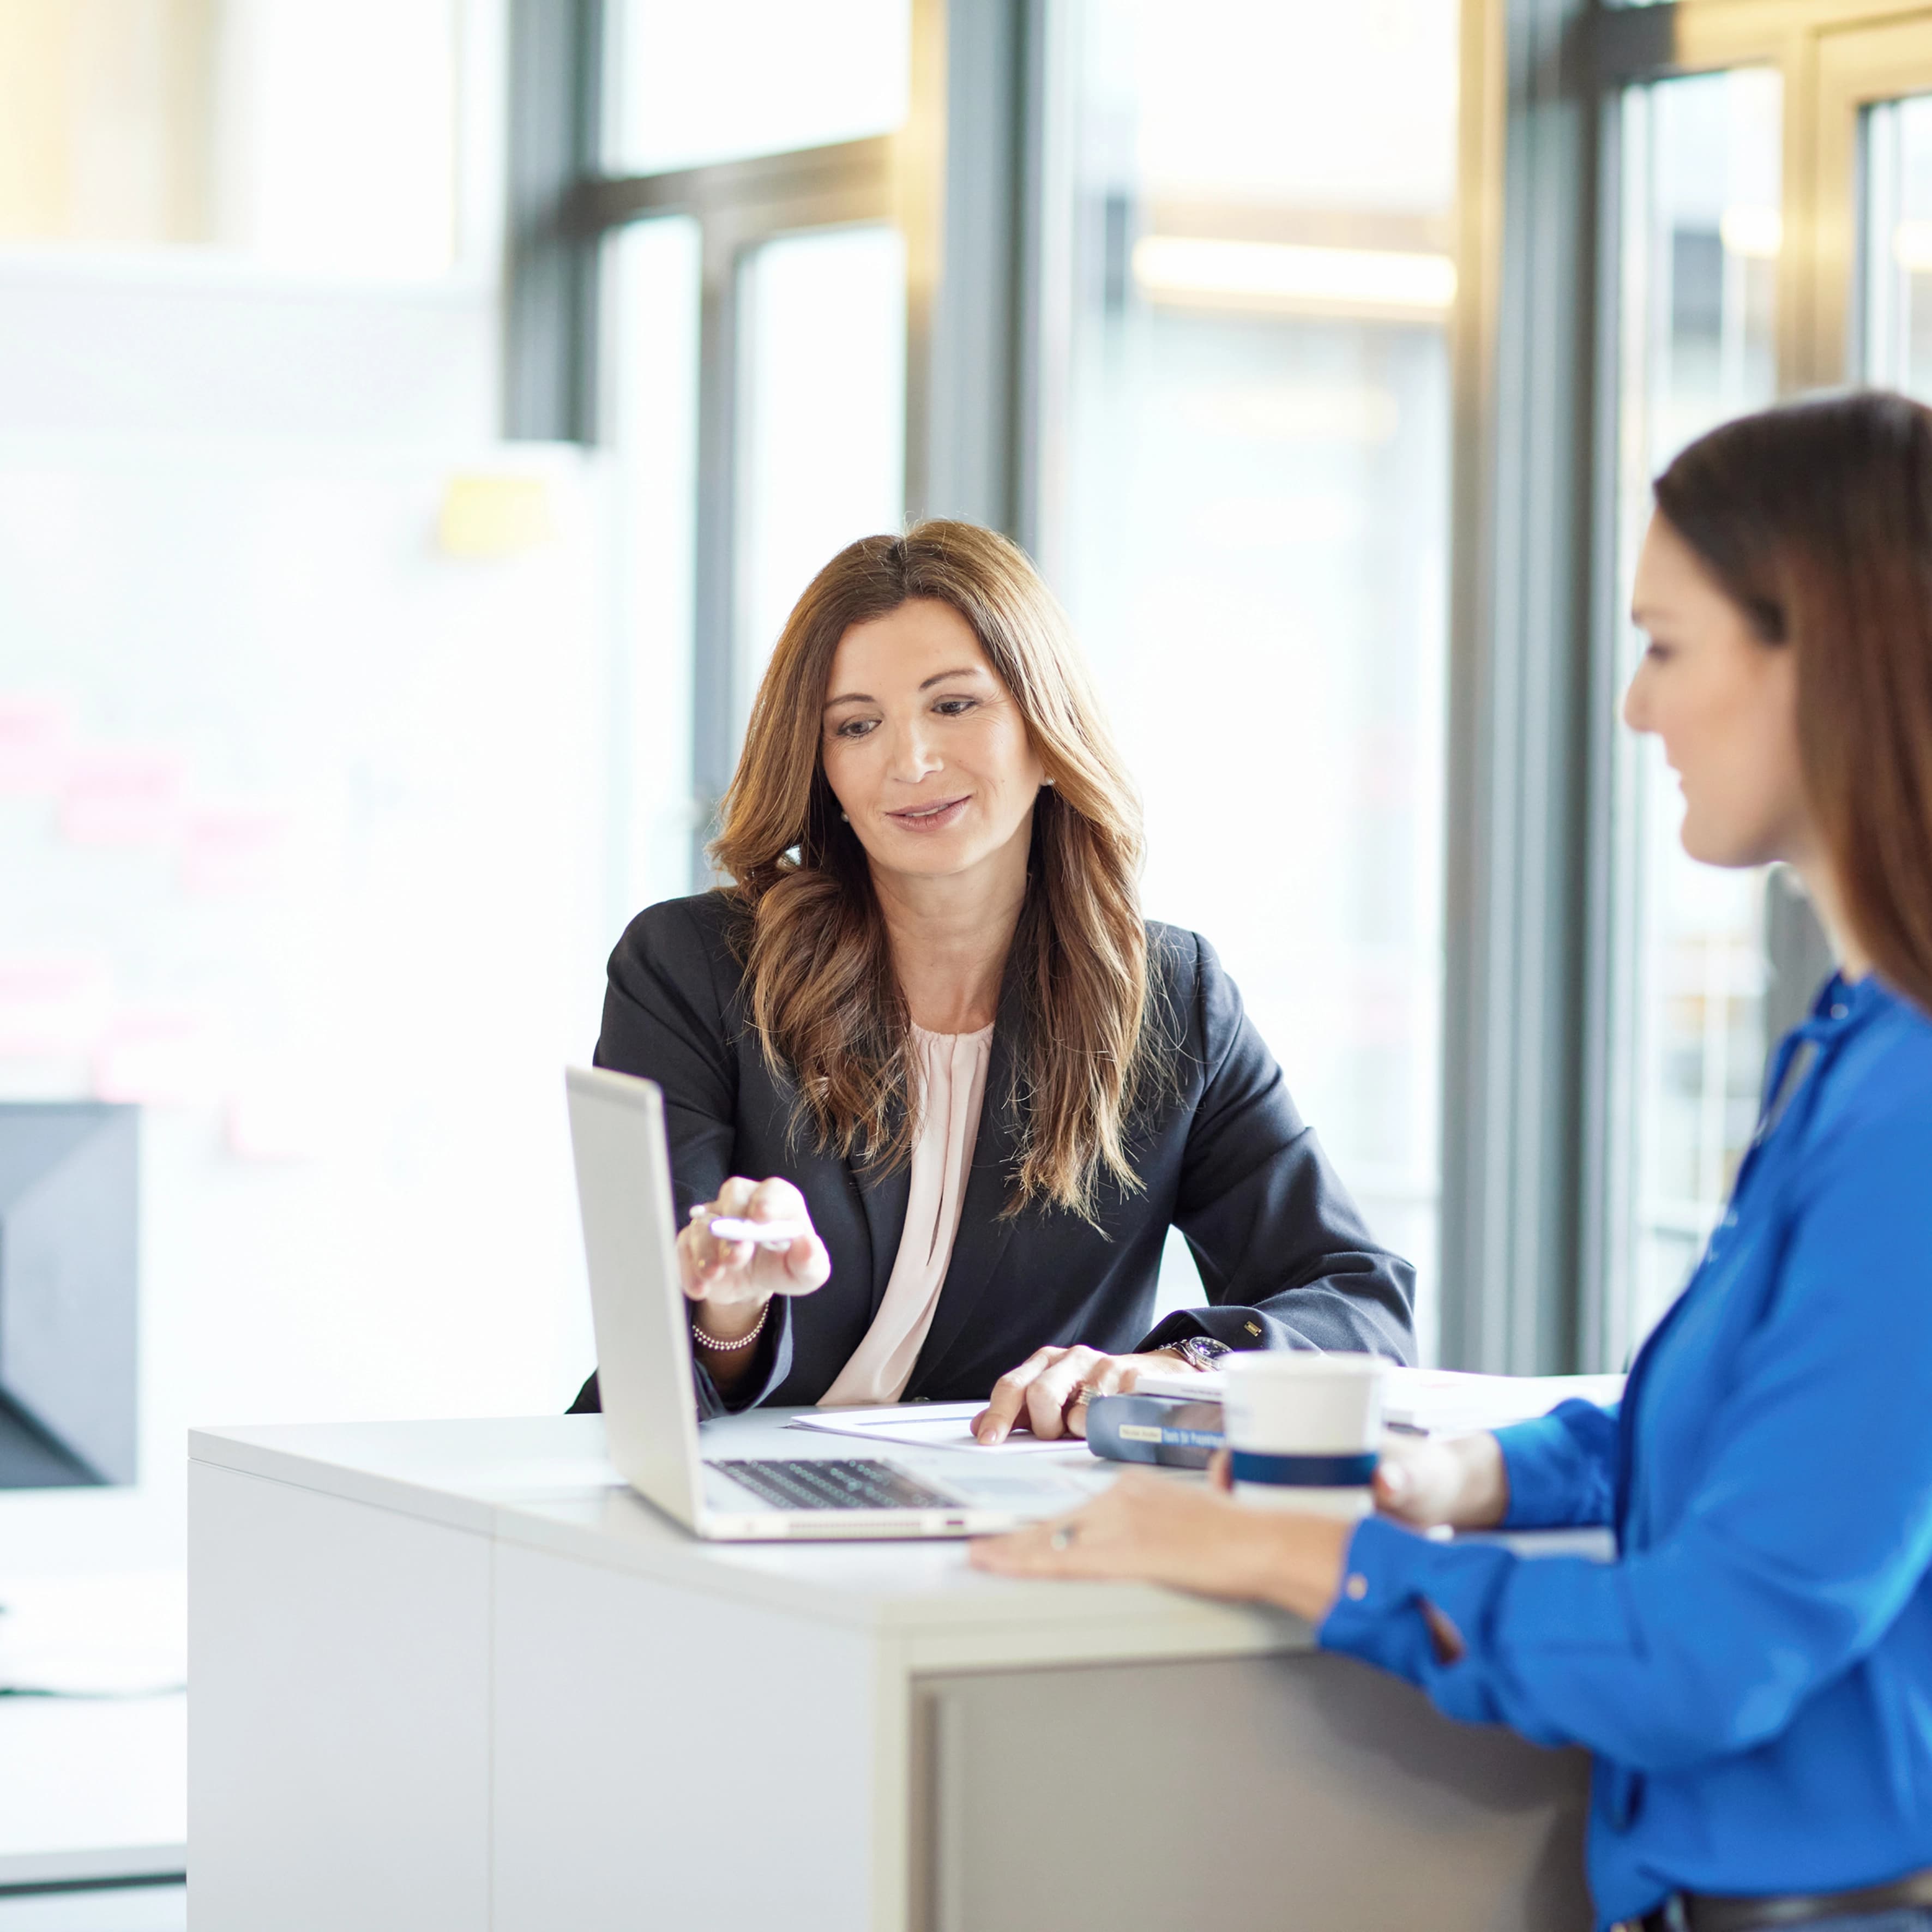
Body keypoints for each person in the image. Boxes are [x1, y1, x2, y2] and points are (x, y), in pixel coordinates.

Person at [974, 392, 1932, 1931]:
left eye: (1668, 647)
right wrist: (1468, 1473)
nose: (1637, 709)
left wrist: (1288, 1554)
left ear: (1820, 653)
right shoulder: (1856, 1047)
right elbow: (1751, 1441)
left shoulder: (1915, 1110)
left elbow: (1711, 1644)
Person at [570, 519, 1414, 1434]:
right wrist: (727, 1314)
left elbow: (1362, 1307)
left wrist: (1170, 1369)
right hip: (718, 1507)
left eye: (955, 705)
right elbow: (656, 1362)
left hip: (999, 1520)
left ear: (1046, 732)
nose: (911, 761)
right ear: (824, 771)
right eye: (858, 725)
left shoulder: (1168, 999)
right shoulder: (693, 970)